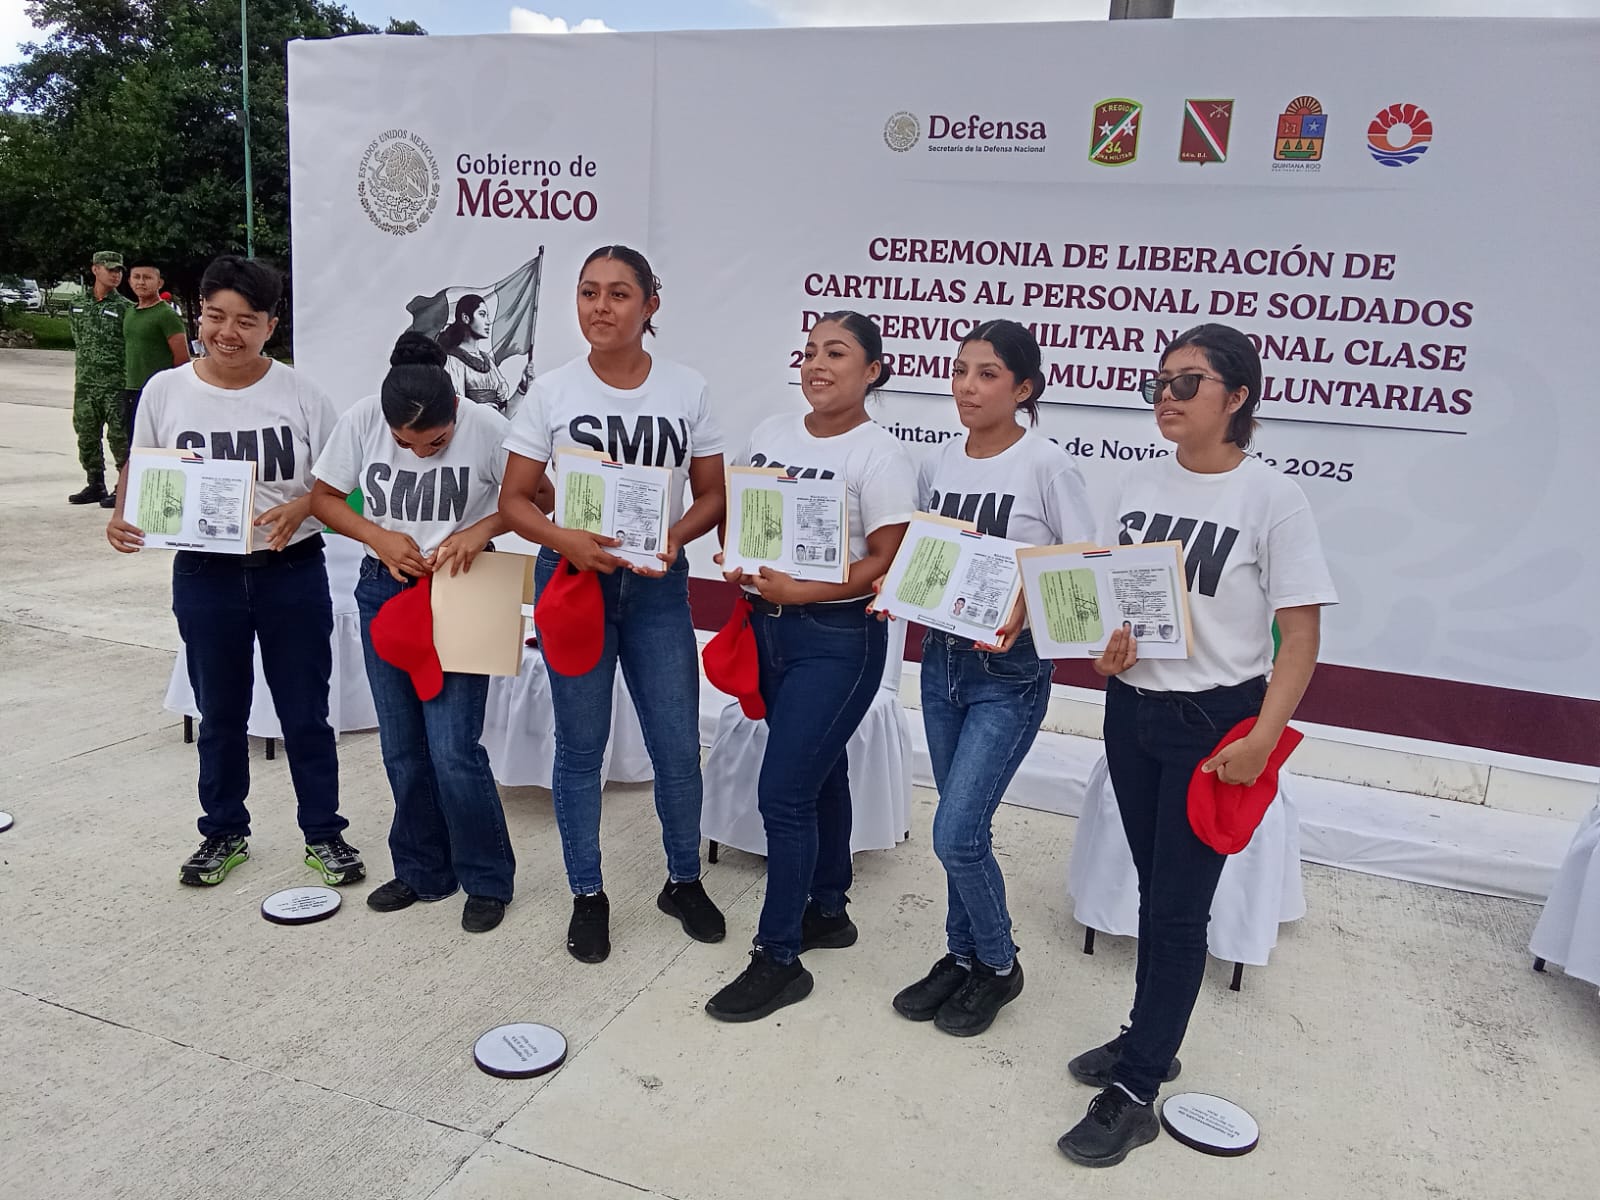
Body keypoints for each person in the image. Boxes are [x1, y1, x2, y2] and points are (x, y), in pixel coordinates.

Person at [1057, 324, 1337, 1167]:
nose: (1167, 395)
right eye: (1161, 380)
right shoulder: (1137, 482)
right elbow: (1124, 600)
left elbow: (1302, 635)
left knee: (1179, 909)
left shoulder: (1272, 498)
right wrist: (1113, 646)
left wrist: (1263, 734)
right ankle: (1151, 1036)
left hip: (1216, 727)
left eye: (1188, 382)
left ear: (1238, 397)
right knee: (1154, 888)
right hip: (1133, 710)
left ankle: (1139, 1089)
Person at [499, 244, 727, 962]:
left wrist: (670, 538)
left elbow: (715, 495)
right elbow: (512, 501)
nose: (601, 306)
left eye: (619, 294)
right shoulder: (552, 392)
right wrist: (567, 539)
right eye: (589, 292)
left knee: (675, 746)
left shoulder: (687, 388)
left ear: (649, 305)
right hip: (576, 583)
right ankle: (587, 894)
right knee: (581, 748)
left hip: (658, 586)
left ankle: (682, 879)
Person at [106, 255, 363, 890]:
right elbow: (141, 471)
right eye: (215, 316)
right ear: (199, 316)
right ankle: (223, 831)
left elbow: (346, 492)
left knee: (305, 711)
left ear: (270, 326)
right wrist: (121, 517)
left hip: (291, 570)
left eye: (245, 321)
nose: (228, 332)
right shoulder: (167, 390)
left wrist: (304, 505)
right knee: (220, 712)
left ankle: (325, 833)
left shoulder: (301, 393)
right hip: (204, 575)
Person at [704, 310, 915, 1023]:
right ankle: (828, 910)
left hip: (837, 638)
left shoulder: (880, 455)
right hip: (770, 631)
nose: (817, 365)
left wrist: (805, 591)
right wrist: (736, 556)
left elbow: (887, 559)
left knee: (784, 795)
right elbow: (747, 514)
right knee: (821, 773)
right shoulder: (771, 434)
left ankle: (779, 958)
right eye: (811, 351)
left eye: (838, 353)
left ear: (873, 371)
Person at [890, 319, 1094, 1037]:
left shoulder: (1047, 465)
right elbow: (928, 559)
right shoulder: (940, 462)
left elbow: (1078, 578)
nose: (966, 387)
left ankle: (1000, 964)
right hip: (942, 659)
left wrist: (1024, 618)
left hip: (1007, 673)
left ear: (1024, 388)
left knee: (955, 832)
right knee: (958, 819)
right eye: (960, 370)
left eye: (986, 374)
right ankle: (962, 954)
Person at [311, 332, 516, 933]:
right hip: (385, 590)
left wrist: (481, 528)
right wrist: (377, 536)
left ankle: (485, 878)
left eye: (436, 443)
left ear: (456, 409)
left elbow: (535, 497)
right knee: (401, 746)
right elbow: (324, 498)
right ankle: (423, 869)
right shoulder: (361, 419)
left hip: (468, 587)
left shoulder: (488, 426)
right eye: (405, 444)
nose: (420, 454)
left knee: (454, 749)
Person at [66, 250, 132, 506]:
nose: (115, 275)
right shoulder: (77, 305)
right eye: (110, 269)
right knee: (86, 435)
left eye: (119, 271)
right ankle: (95, 484)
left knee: (120, 438)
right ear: (95, 270)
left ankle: (123, 487)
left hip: (116, 383)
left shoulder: (126, 308)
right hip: (85, 383)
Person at [122, 259, 191, 454]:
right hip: (131, 390)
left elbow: (182, 359)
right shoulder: (130, 312)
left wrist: (176, 391)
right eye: (136, 277)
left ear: (159, 283)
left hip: (158, 392)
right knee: (133, 446)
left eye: (147, 278)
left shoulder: (166, 315)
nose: (141, 282)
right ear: (129, 281)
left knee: (158, 449)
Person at [438, 293, 534, 416]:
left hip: (494, 432)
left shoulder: (487, 360)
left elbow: (504, 415)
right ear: (466, 318)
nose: (488, 322)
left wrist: (522, 388)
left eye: (487, 316)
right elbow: (458, 413)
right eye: (482, 315)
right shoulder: (453, 361)